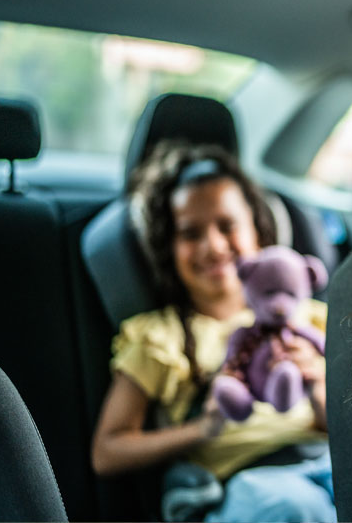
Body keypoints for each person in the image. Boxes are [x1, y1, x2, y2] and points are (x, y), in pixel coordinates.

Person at [91, 142, 336, 522]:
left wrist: (317, 382)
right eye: (191, 233)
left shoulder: (310, 319)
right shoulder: (161, 337)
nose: (213, 246)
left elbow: (342, 429)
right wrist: (201, 429)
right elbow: (107, 451)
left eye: (227, 226)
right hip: (244, 486)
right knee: (297, 508)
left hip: (325, 464)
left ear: (258, 229)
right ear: (167, 248)